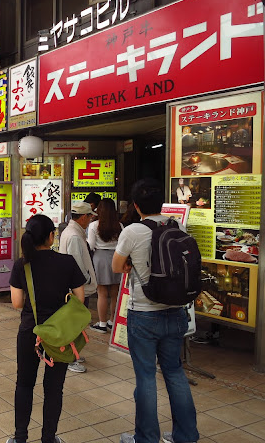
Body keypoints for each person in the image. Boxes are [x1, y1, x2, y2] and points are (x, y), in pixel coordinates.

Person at [113, 178, 199, 443]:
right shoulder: (177, 225)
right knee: (174, 372)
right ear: (161, 203)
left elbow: (116, 266)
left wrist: (131, 263)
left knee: (146, 377)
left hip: (144, 313)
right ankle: (186, 435)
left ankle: (146, 438)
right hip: (175, 311)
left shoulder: (132, 231)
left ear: (136, 206)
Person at [7, 215, 86, 443]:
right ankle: (48, 438)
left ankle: (20, 437)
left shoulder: (22, 265)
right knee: (54, 389)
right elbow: (80, 298)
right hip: (60, 335)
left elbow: (17, 303)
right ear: (51, 237)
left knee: (24, 384)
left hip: (31, 332)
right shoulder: (67, 262)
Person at [59, 201, 98, 373]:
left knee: (75, 322)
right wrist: (87, 279)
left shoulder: (72, 231)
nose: (91, 219)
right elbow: (77, 265)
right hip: (77, 289)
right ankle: (69, 358)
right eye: (90, 216)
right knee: (74, 323)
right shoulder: (74, 235)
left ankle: (73, 353)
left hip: (75, 287)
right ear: (83, 217)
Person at [87, 198, 123, 333]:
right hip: (116, 257)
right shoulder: (120, 226)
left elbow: (90, 245)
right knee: (115, 294)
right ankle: (112, 322)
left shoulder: (94, 226)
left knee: (101, 293)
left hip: (100, 259)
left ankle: (102, 323)